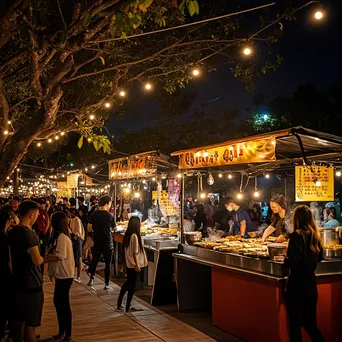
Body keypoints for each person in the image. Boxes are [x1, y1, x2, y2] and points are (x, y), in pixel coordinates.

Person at [284, 205, 325, 342]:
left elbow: (293, 262)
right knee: (310, 325)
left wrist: (285, 258)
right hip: (311, 286)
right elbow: (319, 258)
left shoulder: (296, 235)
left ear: (297, 218)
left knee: (295, 326)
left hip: (296, 286)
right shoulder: (315, 235)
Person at [6, 200, 44, 342]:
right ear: (32, 214)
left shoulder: (11, 233)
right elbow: (37, 260)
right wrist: (48, 258)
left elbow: (9, 260)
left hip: (16, 282)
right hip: (32, 283)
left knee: (17, 322)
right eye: (37, 214)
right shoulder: (30, 235)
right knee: (30, 325)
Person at [46, 212, 74, 342]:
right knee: (59, 303)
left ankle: (67, 333)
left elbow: (60, 255)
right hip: (62, 274)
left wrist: (43, 259)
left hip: (65, 275)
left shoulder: (62, 237)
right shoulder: (60, 236)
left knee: (62, 303)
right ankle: (62, 331)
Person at [116, 217, 147, 312]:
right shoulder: (135, 236)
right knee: (132, 285)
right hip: (134, 264)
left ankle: (120, 303)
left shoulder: (128, 235)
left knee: (128, 283)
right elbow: (135, 252)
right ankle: (127, 306)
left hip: (129, 263)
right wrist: (137, 265)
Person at [87, 195, 116, 290]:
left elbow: (89, 228)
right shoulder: (110, 216)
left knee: (95, 261)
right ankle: (106, 284)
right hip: (107, 242)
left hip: (97, 241)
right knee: (108, 263)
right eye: (110, 203)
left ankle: (91, 280)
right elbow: (115, 228)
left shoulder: (94, 214)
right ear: (107, 203)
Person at [0, 211, 16, 340]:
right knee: (7, 305)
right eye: (10, 219)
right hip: (5, 275)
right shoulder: (4, 237)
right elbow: (8, 260)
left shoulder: (5, 235)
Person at [68, 208, 84, 283]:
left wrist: (71, 232)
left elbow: (78, 232)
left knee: (78, 258)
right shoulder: (72, 220)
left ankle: (79, 276)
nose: (68, 214)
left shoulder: (77, 220)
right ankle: (74, 275)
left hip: (77, 240)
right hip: (74, 239)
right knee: (76, 257)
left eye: (69, 213)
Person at [34, 198, 50, 275]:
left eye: (43, 204)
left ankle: (41, 270)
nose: (42, 205)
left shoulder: (44, 212)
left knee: (42, 249)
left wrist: (44, 232)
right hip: (35, 234)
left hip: (41, 236)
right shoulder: (35, 212)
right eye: (40, 204)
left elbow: (47, 223)